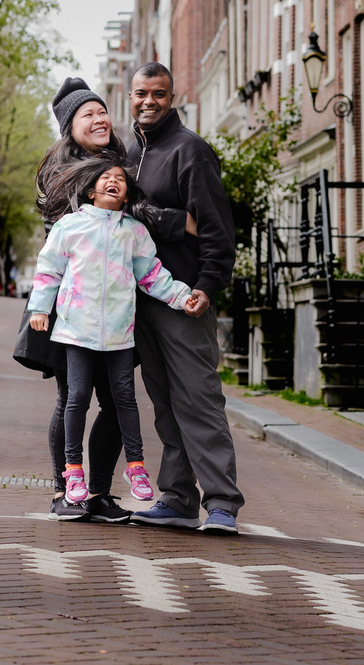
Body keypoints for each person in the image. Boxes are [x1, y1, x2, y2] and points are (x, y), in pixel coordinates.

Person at [34, 76, 195, 523]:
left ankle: (100, 492)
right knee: (73, 397)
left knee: (115, 401)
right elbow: (61, 246)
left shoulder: (121, 163)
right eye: (87, 114)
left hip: (118, 313)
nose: (99, 118)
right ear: (70, 127)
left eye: (102, 110)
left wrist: (168, 220)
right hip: (75, 310)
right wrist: (42, 308)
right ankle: (65, 489)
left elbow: (137, 224)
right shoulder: (62, 169)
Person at [125, 62, 244, 535]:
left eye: (158, 93)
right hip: (142, 299)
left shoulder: (191, 150)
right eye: (140, 93)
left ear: (172, 98)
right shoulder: (131, 151)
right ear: (129, 97)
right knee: (164, 402)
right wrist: (169, 220)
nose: (148, 101)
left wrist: (206, 287)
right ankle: (177, 497)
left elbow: (218, 230)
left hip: (184, 299)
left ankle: (222, 504)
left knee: (198, 399)